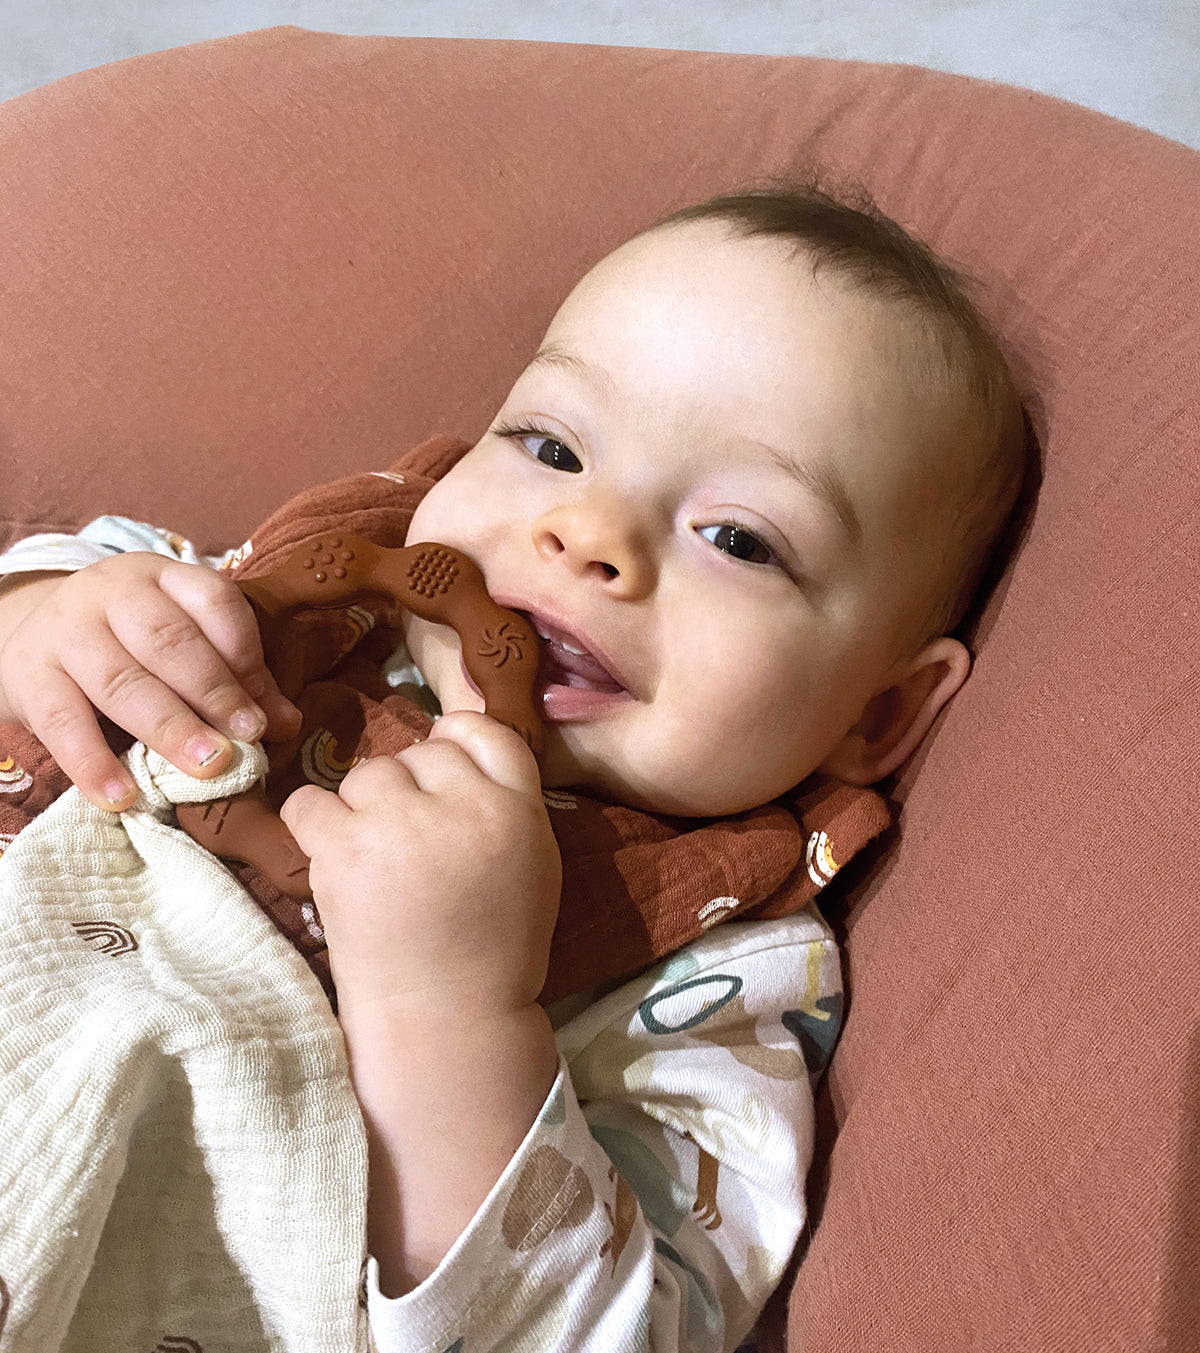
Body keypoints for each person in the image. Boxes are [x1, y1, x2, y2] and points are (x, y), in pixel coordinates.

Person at [0, 184, 1027, 1351]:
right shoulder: (295, 610)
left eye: (738, 538)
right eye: (551, 448)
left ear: (877, 713)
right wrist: (41, 620)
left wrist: (447, 1010)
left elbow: (603, 1329)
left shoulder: (710, 979)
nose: (587, 535)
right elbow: (97, 582)